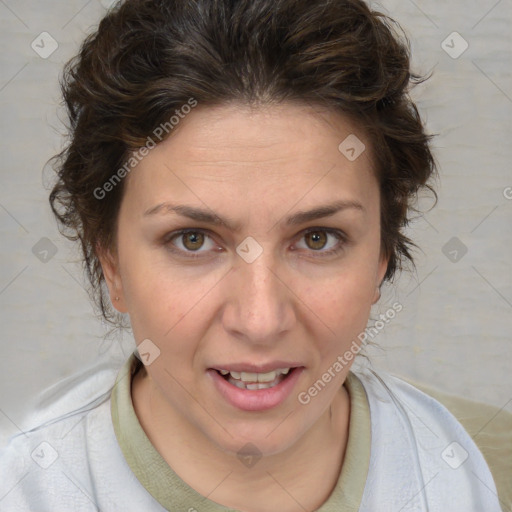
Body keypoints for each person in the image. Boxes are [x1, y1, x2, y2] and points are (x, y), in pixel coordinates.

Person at [0, 0, 510, 510]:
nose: (261, 320)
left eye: (317, 238)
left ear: (381, 251)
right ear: (111, 262)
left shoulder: (484, 472)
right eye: (193, 240)